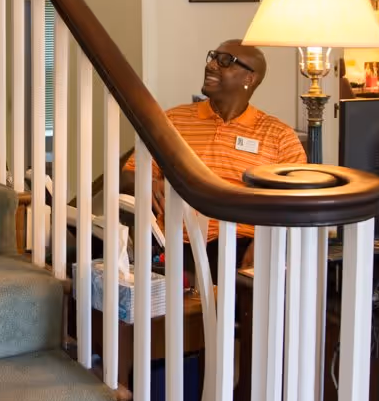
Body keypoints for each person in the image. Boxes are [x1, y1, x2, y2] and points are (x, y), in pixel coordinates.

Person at [123, 39, 307, 263]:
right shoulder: (172, 121)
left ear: (250, 78)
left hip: (240, 246)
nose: (211, 65)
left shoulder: (279, 135)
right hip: (174, 243)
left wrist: (264, 244)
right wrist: (148, 183)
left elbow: (296, 200)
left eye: (225, 61)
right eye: (213, 57)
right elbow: (130, 174)